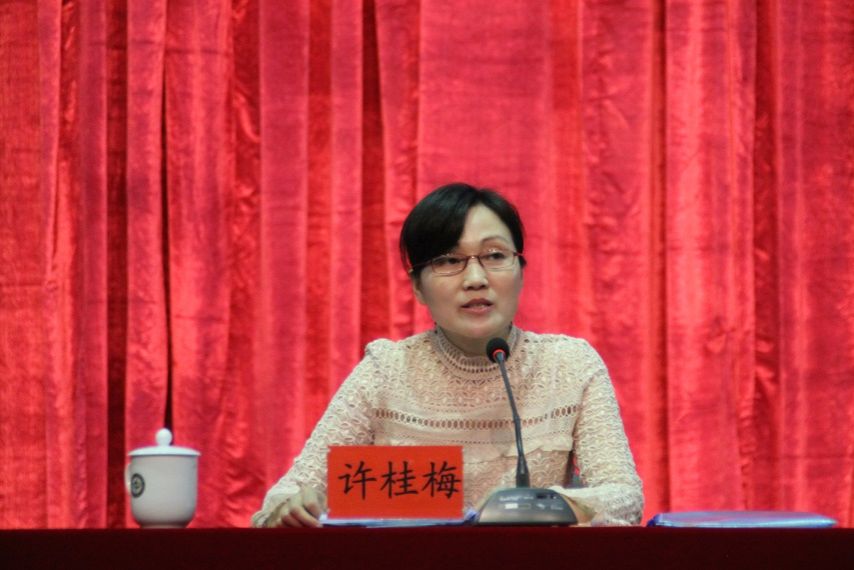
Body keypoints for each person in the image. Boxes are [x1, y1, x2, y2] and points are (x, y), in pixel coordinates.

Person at [251, 182, 643, 527]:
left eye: (495, 256)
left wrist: (539, 504)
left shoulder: (569, 366)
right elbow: (280, 500)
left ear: (521, 270)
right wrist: (296, 508)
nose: (476, 279)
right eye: (449, 261)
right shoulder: (386, 371)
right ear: (417, 287)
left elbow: (624, 497)